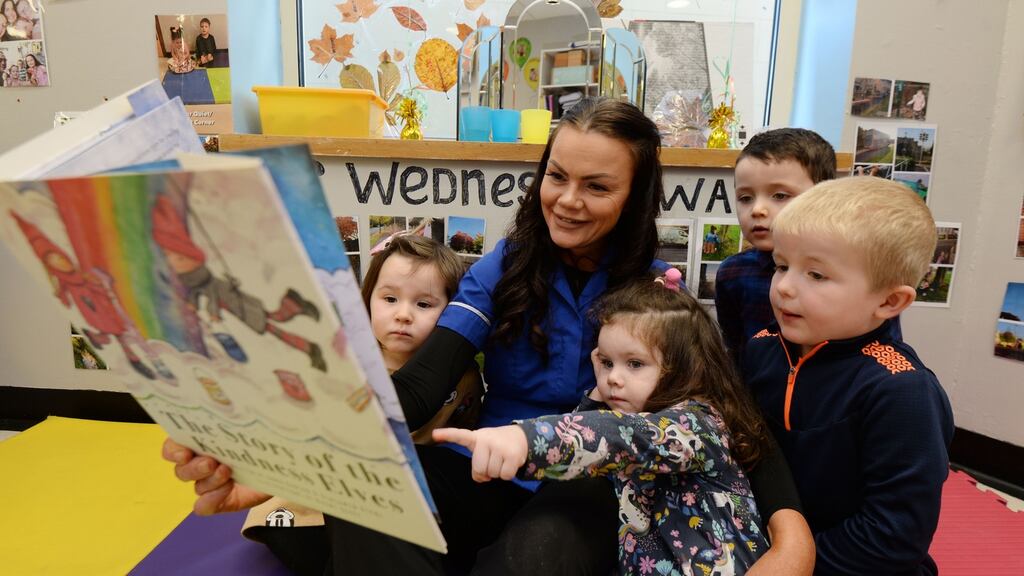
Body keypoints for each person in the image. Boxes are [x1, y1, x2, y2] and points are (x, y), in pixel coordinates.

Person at [164, 98, 814, 575]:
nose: (566, 199)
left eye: (597, 186)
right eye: (557, 176)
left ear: (635, 197)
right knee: (365, 493)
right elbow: (419, 388)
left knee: (529, 561)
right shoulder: (505, 264)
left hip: (586, 478)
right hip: (483, 460)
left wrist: (790, 534)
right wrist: (280, 453)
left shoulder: (656, 294)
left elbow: (725, 419)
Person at [435, 275, 772, 575]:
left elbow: (621, 437)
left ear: (688, 368)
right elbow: (596, 430)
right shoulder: (626, 403)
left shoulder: (696, 424)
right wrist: (598, 395)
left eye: (635, 363)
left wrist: (524, 439)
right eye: (606, 362)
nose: (614, 379)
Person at [744, 176, 954, 574]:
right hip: (768, 546)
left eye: (816, 275)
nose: (784, 288)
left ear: (890, 301)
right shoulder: (762, 348)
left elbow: (894, 534)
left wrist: (794, 562)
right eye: (782, 266)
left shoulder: (900, 390)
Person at [242, 234, 483, 576]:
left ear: (450, 314)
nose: (403, 315)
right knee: (293, 534)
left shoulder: (462, 378)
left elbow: (461, 442)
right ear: (367, 300)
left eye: (424, 305)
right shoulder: (343, 366)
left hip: (409, 506)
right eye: (389, 298)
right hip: (321, 497)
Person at [715, 128, 835, 363]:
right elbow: (735, 350)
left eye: (780, 196)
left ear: (823, 196)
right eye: (745, 198)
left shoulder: (851, 269)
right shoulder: (732, 273)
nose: (757, 209)